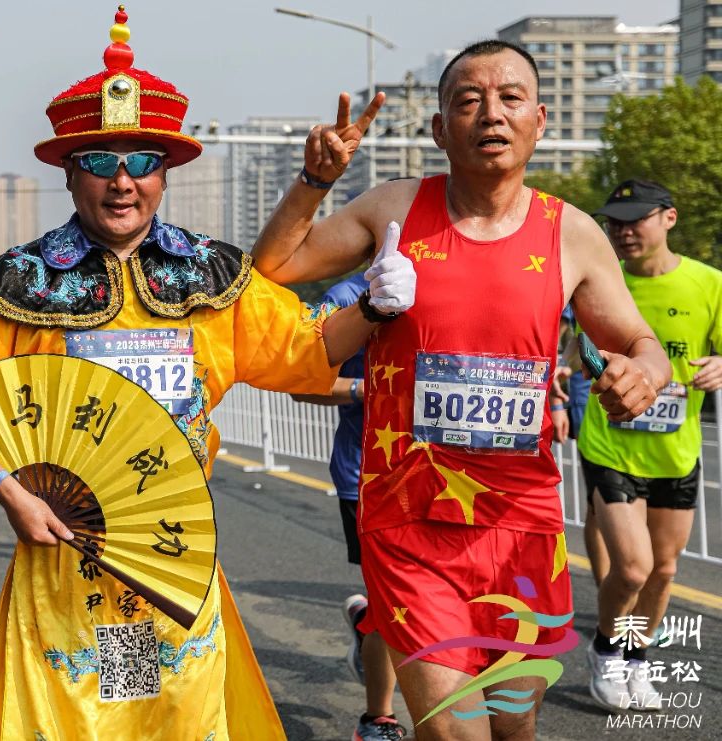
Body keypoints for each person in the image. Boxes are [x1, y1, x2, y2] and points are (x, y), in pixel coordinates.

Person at [0, 6, 414, 739]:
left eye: (142, 161)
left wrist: (372, 306)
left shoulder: (210, 274)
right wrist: (9, 492)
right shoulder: (19, 282)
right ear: (69, 172)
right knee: (83, 721)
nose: (122, 182)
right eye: (100, 161)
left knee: (169, 716)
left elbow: (305, 350)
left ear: (165, 172)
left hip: (170, 554)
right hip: (62, 556)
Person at [251, 39, 668, 740]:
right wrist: (313, 181)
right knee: (455, 729)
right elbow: (274, 266)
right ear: (440, 129)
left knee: (513, 724)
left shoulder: (571, 233)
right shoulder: (394, 208)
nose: (491, 114)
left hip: (523, 525)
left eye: (510, 98)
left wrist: (646, 374)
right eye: (469, 101)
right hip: (409, 520)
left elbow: (639, 342)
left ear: (539, 119)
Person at [575, 180, 722, 712]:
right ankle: (605, 649)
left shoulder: (709, 283)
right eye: (614, 222)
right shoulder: (602, 281)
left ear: (669, 218)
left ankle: (635, 658)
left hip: (675, 452)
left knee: (663, 571)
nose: (623, 230)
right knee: (633, 568)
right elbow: (575, 346)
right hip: (610, 445)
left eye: (635, 219)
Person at [288, 274, 404, 741]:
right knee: (391, 604)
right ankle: (378, 718)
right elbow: (301, 383)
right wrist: (366, 389)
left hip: (447, 479)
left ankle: (365, 625)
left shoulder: (462, 283)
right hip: (369, 478)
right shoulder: (348, 297)